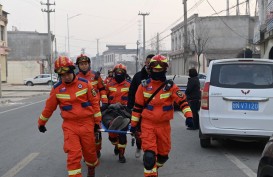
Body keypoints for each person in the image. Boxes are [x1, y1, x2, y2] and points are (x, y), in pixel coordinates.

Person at [37, 56, 101, 177]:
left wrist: (97, 121)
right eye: (63, 75)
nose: (66, 77)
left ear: (72, 71)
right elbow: (48, 108)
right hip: (70, 126)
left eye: (68, 73)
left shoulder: (86, 84)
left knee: (90, 154)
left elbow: (95, 104)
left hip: (87, 123)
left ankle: (91, 168)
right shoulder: (57, 89)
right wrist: (41, 123)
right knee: (73, 154)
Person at [129, 55, 193, 177]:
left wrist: (189, 116)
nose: (157, 71)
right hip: (147, 125)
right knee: (149, 157)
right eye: (155, 69)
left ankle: (155, 167)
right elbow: (137, 108)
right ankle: (151, 170)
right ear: (150, 68)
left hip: (164, 126)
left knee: (163, 155)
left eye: (160, 69)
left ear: (165, 69)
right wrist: (133, 125)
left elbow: (183, 102)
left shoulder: (170, 87)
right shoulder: (143, 87)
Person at [76, 54, 108, 158]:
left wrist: (105, 101)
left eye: (85, 63)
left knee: (96, 131)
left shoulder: (96, 76)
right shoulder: (75, 77)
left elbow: (102, 89)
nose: (84, 66)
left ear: (89, 64)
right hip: (81, 111)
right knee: (84, 134)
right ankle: (87, 153)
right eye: (81, 64)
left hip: (95, 108)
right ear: (78, 65)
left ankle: (97, 150)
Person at [127, 54, 155, 158]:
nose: (149, 66)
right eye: (148, 63)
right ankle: (139, 146)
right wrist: (130, 107)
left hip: (152, 112)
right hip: (139, 110)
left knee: (150, 134)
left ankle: (149, 154)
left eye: (152, 64)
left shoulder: (157, 77)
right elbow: (131, 92)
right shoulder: (138, 76)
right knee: (138, 133)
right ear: (145, 63)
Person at [105, 63, 131, 163]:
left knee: (122, 133)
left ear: (125, 73)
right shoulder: (109, 84)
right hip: (111, 110)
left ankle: (121, 154)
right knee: (112, 134)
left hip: (124, 111)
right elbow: (104, 97)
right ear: (114, 73)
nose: (119, 74)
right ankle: (116, 145)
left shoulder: (129, 85)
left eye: (122, 72)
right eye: (117, 72)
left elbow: (133, 99)